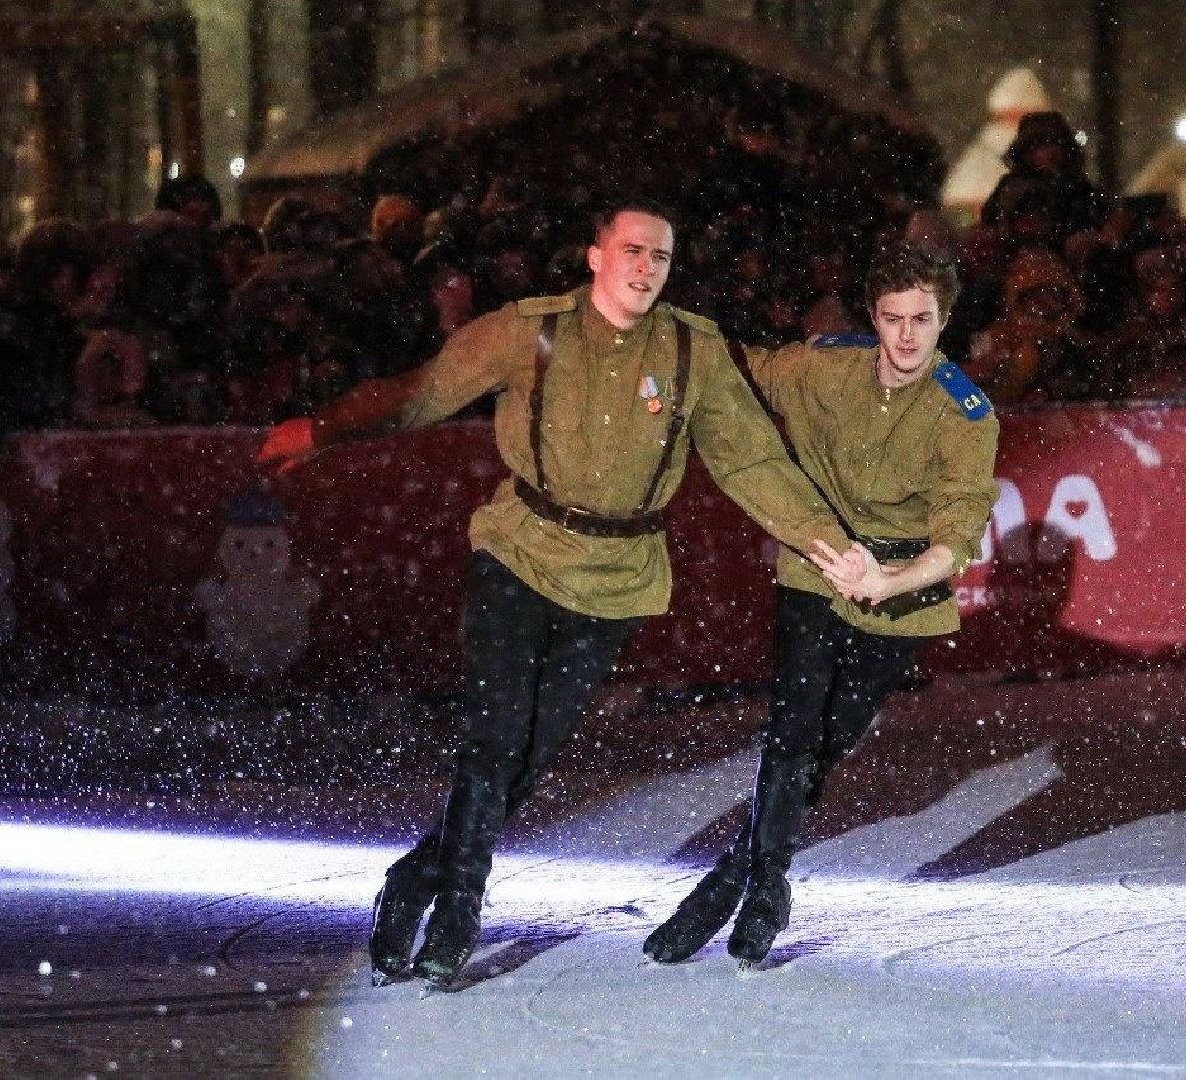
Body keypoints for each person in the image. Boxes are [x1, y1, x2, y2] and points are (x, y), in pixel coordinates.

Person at [257, 200, 867, 989]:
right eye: (632, 251)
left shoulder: (691, 350)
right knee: (493, 741)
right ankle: (458, 911)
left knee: (524, 763)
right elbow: (420, 392)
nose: (646, 267)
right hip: (517, 553)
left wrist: (826, 541)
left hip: (616, 580)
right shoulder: (530, 331)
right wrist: (320, 429)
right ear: (595, 257)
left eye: (660, 257)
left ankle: (417, 876)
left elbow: (752, 463)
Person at [642, 242, 1000, 968]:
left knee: (825, 745)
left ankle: (723, 883)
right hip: (816, 568)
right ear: (872, 316)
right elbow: (731, 366)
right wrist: (656, 362)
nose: (905, 337)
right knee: (790, 732)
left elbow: (958, 535)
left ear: (945, 320)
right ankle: (767, 886)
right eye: (892, 319)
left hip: (899, 594)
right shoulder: (820, 368)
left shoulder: (965, 413)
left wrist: (891, 582)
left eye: (922, 320)